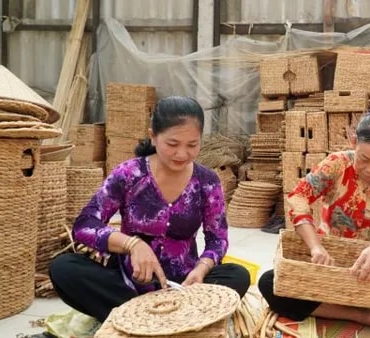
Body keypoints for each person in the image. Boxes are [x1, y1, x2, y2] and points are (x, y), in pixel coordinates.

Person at [49, 96, 250, 323]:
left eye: (192, 145)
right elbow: (85, 224)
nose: (182, 154)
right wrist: (132, 244)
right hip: (127, 286)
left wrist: (202, 268)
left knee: (237, 275)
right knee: (64, 269)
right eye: (172, 144)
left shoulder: (207, 181)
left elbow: (218, 239)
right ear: (153, 136)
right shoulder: (129, 174)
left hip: (183, 286)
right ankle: (152, 316)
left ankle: (155, 318)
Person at [258, 106, 370, 337]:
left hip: (367, 274)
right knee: (270, 282)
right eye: (364, 159)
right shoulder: (336, 164)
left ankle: (340, 307)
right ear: (353, 142)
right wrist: (315, 246)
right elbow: (299, 196)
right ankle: (365, 315)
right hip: (328, 268)